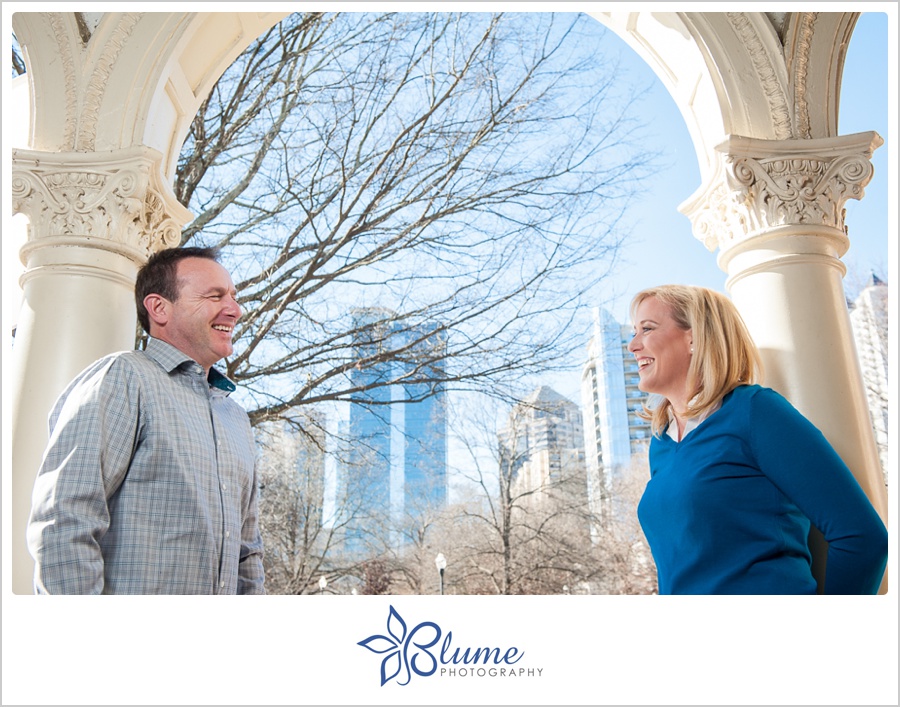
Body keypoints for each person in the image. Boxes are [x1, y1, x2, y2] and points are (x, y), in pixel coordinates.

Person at [27, 246, 265, 594]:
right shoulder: (123, 377)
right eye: (215, 296)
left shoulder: (236, 419)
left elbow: (248, 552)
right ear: (159, 308)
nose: (234, 310)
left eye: (232, 296)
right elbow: (65, 519)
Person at [628, 284, 887, 595]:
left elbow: (862, 537)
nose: (633, 345)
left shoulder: (754, 412)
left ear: (693, 336)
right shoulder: (662, 444)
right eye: (634, 332)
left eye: (647, 329)